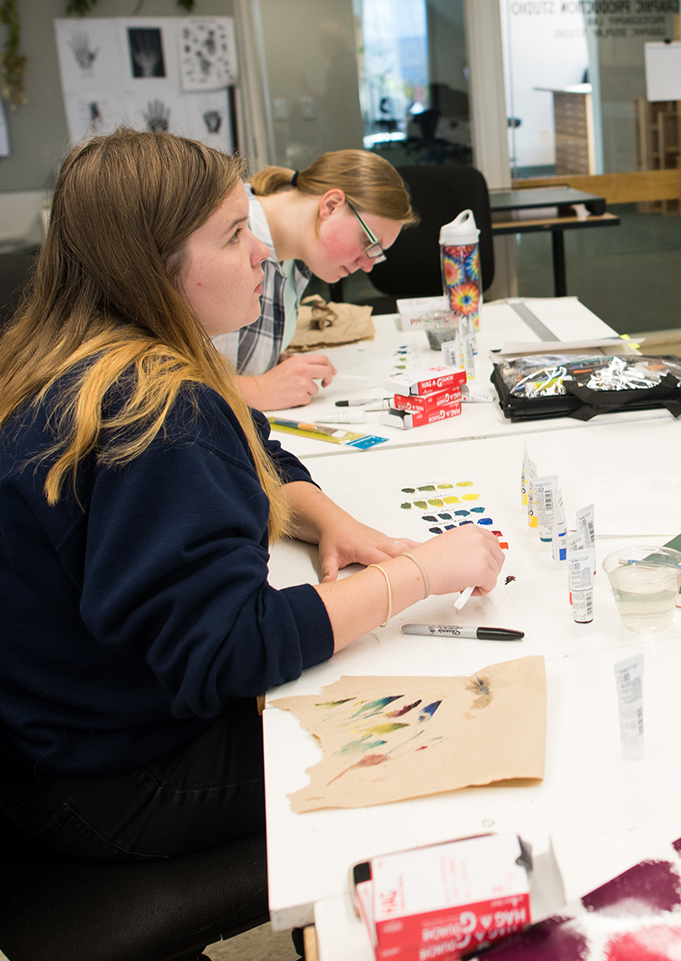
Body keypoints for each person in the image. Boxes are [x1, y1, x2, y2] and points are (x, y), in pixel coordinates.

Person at [0, 130, 502, 863]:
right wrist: (421, 573)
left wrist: (326, 518)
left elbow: (252, 441)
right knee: (451, 737)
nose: (264, 253)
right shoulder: (157, 409)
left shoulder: (91, 351)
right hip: (114, 779)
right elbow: (234, 648)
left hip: (52, 744)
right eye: (235, 236)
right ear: (155, 264)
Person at [212, 150, 414, 410]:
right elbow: (160, 374)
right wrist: (255, 390)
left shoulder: (298, 261)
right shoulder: (226, 235)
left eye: (376, 254)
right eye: (368, 243)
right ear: (331, 206)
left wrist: (269, 365)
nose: (367, 265)